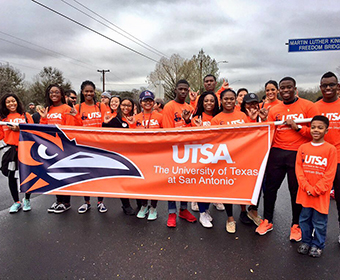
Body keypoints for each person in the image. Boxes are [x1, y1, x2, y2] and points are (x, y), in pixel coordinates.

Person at [256, 77, 319, 242]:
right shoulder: (274, 109)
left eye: (288, 87)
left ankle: (296, 225)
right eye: (282, 88)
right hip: (277, 152)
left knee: (295, 190)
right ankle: (268, 221)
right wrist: (263, 121)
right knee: (270, 189)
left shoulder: (308, 106)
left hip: (298, 153)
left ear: (295, 88)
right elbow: (268, 132)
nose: (285, 90)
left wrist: (297, 128)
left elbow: (316, 131)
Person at [296, 115, 337, 257]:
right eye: (313, 127)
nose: (316, 130)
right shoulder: (303, 147)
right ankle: (306, 241)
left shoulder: (331, 149)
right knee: (304, 219)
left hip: (320, 195)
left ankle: (318, 245)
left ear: (326, 130)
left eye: (320, 127)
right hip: (305, 193)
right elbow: (299, 169)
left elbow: (330, 173)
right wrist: (307, 187)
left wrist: (316, 189)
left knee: (319, 222)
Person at [211, 89, 248, 233]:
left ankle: (244, 211)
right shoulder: (216, 119)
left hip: (242, 156)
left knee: (243, 185)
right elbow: (214, 140)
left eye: (232, 99)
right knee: (228, 188)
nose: (229, 101)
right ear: (221, 100)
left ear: (236, 100)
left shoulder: (242, 116)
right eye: (226, 99)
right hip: (226, 158)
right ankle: (230, 217)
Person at [162, 79, 197, 227]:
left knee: (185, 182)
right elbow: (167, 131)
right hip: (173, 150)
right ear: (175, 90)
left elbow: (192, 131)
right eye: (180, 89)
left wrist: (187, 121)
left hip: (187, 151)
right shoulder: (169, 107)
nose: (183, 92)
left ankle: (183, 209)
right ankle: (172, 212)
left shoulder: (190, 107)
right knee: (173, 182)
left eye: (185, 89)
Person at [38, 84, 77, 213]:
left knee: (64, 175)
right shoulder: (48, 109)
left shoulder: (67, 108)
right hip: (50, 147)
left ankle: (66, 202)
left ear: (62, 94)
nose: (53, 94)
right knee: (54, 175)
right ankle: (58, 200)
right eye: (51, 93)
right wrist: (43, 117)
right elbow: (42, 129)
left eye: (56, 92)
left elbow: (70, 130)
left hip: (63, 147)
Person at [75, 80, 108, 214]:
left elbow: (107, 124)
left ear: (95, 92)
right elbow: (74, 128)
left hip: (100, 146)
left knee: (100, 175)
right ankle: (86, 202)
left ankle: (100, 202)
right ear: (82, 92)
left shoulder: (101, 106)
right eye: (86, 91)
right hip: (84, 147)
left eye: (91, 91)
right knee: (85, 176)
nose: (89, 93)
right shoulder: (78, 108)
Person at [315, 71, 340, 244]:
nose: (328, 88)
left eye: (332, 84)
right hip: (318, 161)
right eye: (325, 85)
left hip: (338, 160)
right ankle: (313, 230)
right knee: (315, 198)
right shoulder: (314, 107)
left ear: (338, 86)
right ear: (320, 87)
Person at [102, 97, 137, 215]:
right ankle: (126, 205)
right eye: (123, 105)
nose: (126, 108)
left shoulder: (136, 119)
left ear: (133, 107)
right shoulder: (114, 120)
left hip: (135, 155)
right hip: (120, 156)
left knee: (135, 181)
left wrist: (132, 124)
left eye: (129, 105)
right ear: (119, 106)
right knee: (123, 181)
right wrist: (104, 123)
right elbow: (103, 134)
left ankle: (140, 203)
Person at [0, 93, 34, 213]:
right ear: (5, 105)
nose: (11, 104)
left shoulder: (25, 115)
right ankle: (16, 202)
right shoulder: (3, 118)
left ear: (17, 102)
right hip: (11, 151)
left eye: (13, 101)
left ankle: (27, 200)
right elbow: (1, 136)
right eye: (8, 102)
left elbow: (34, 132)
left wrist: (21, 129)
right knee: (11, 176)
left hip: (25, 149)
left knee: (27, 175)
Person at [191, 91, 220, 228]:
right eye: (206, 101)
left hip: (217, 156)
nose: (209, 103)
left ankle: (206, 210)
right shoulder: (196, 117)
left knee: (212, 185)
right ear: (202, 102)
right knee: (203, 185)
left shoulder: (219, 117)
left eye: (212, 100)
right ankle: (202, 213)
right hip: (201, 157)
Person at [238, 93, 268, 225]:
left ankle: (253, 209)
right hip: (244, 157)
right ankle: (243, 211)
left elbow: (267, 133)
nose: (252, 106)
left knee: (258, 184)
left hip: (259, 156)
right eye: (249, 103)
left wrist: (262, 119)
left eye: (254, 103)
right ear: (244, 105)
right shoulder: (241, 117)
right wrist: (250, 119)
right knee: (244, 184)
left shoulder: (262, 116)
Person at [134, 90, 163, 220]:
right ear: (140, 102)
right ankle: (144, 205)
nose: (148, 103)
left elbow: (167, 135)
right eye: (145, 100)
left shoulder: (160, 117)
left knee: (154, 183)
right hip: (140, 156)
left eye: (150, 100)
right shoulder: (135, 118)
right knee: (142, 182)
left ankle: (153, 207)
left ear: (154, 102)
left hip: (156, 155)